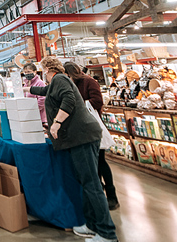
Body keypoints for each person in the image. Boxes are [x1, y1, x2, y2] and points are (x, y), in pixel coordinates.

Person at [30, 56, 118, 242]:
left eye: (42, 71)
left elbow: (68, 99)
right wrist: (26, 88)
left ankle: (107, 233)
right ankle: (91, 225)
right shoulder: (57, 82)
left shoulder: (60, 79)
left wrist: (56, 123)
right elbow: (45, 90)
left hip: (82, 137)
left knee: (92, 185)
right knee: (86, 182)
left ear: (47, 70)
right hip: (78, 138)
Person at [65, 62, 119, 210]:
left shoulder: (89, 82)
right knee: (91, 164)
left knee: (100, 161)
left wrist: (77, 104)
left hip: (93, 127)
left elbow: (97, 101)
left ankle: (112, 196)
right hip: (80, 128)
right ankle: (99, 194)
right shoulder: (70, 84)